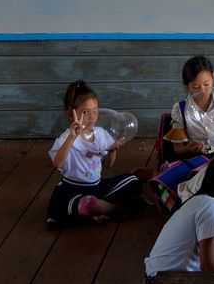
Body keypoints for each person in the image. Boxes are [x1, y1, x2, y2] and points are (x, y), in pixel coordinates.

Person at [46, 80, 146, 228]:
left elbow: (108, 166)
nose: (92, 117)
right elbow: (58, 163)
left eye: (95, 110)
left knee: (132, 180)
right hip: (73, 189)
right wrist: (72, 137)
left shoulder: (100, 134)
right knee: (65, 205)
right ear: (70, 114)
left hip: (97, 187)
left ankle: (93, 211)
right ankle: (114, 208)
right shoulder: (66, 139)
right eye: (85, 112)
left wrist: (112, 151)